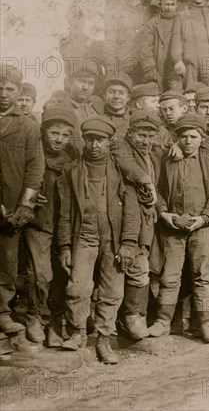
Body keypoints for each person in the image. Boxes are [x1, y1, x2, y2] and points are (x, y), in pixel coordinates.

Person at [57, 117, 140, 363]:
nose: (94, 145)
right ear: (84, 141)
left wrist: (128, 244)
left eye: (100, 140)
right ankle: (79, 332)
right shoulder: (71, 170)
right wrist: (63, 245)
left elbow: (132, 210)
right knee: (78, 286)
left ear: (109, 142)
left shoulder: (120, 169)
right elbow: (64, 211)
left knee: (112, 289)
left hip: (113, 237)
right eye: (90, 139)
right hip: (83, 235)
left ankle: (104, 339)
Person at [149, 113, 209, 343]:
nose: (188, 141)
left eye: (193, 136)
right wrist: (163, 213)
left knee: (202, 275)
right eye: (183, 137)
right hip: (173, 227)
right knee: (170, 275)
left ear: (202, 138)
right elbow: (158, 190)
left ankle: (205, 323)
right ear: (177, 138)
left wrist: (205, 218)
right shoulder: (167, 160)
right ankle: (163, 321)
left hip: (200, 227)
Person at [22, 108, 77, 345]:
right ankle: (35, 316)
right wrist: (28, 194)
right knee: (40, 273)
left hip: (66, 224)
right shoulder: (32, 156)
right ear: (43, 132)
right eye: (54, 133)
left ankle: (57, 320)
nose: (59, 139)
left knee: (64, 273)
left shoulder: (73, 157)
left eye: (65, 135)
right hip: (39, 223)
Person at [0, 65, 45, 335]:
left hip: (12, 211)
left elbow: (34, 167)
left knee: (7, 263)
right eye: (0, 88)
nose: (3, 94)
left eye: (10, 89)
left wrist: (24, 206)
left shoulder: (29, 126)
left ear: (19, 92)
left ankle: (3, 313)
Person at [118, 110, 164, 340]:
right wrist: (146, 182)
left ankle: (139, 314)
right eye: (141, 135)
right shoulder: (120, 147)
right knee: (136, 268)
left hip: (146, 222)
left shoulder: (152, 156)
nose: (146, 141)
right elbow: (127, 165)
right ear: (130, 133)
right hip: (127, 219)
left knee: (145, 267)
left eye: (150, 136)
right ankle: (130, 315)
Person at [103, 0, 146, 84]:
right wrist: (112, 69)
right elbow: (109, 44)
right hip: (123, 65)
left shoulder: (147, 13)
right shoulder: (115, 14)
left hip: (143, 65)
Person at [140, 0, 181, 91]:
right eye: (166, 4)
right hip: (159, 66)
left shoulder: (182, 21)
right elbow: (146, 48)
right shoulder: (152, 24)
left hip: (176, 67)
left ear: (177, 5)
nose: (169, 8)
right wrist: (150, 67)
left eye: (172, 4)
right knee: (157, 95)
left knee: (177, 96)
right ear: (160, 5)